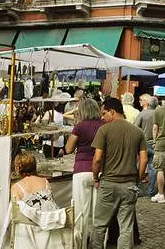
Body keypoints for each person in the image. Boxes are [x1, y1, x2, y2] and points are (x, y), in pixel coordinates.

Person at [91, 97, 147, 249]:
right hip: (129, 185)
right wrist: (138, 179)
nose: (102, 117)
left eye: (104, 114)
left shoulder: (104, 130)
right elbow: (143, 160)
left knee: (99, 225)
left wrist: (96, 177)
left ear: (112, 111)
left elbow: (97, 159)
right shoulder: (138, 132)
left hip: (108, 183)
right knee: (126, 227)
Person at [64, 98, 104, 249]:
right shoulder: (104, 125)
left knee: (81, 212)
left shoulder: (80, 127)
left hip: (81, 170)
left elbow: (68, 149)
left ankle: (80, 245)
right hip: (100, 170)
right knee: (98, 213)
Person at [135, 94, 157, 196]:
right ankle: (151, 190)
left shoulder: (143, 114)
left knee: (140, 166)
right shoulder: (158, 113)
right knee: (152, 168)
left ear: (148, 104)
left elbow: (135, 127)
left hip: (143, 143)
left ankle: (137, 188)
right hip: (154, 144)